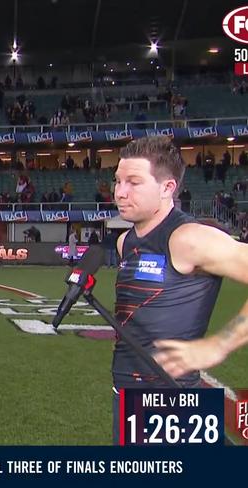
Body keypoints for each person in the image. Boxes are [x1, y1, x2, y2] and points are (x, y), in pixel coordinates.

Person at [110, 136, 248, 445]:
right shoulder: (125, 242)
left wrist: (219, 345)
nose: (120, 192)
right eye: (117, 181)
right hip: (127, 392)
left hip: (171, 397)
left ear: (167, 188)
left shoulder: (188, 238)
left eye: (133, 182)